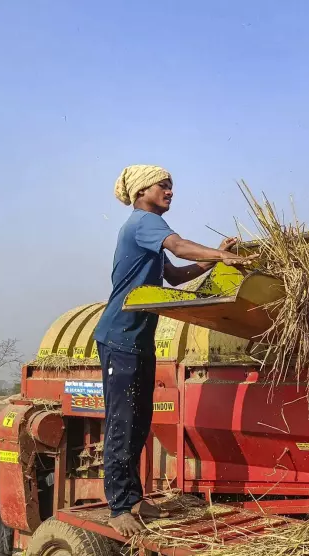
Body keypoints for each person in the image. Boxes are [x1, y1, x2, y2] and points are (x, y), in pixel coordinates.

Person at [93, 165, 247, 536]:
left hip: (138, 338)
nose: (171, 192)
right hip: (120, 336)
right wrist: (219, 255)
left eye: (171, 186)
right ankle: (118, 506)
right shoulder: (142, 222)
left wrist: (214, 257)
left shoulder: (147, 232)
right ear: (143, 190)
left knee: (139, 420)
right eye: (164, 185)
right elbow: (177, 244)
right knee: (122, 422)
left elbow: (176, 274)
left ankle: (131, 497)